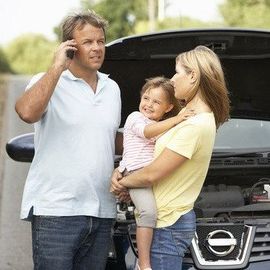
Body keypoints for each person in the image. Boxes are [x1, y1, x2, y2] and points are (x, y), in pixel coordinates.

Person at [15, 10, 122, 270]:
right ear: (70, 47)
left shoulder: (112, 88)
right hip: (56, 211)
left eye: (100, 41)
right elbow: (27, 112)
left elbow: (109, 140)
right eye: (88, 42)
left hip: (102, 212)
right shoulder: (47, 81)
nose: (97, 48)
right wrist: (56, 68)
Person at [111, 45, 230, 270]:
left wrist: (120, 183)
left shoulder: (194, 125)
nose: (173, 79)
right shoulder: (190, 120)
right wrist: (124, 170)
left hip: (168, 224)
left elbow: (152, 173)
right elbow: (144, 151)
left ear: (193, 76)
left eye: (177, 72)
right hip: (165, 221)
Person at [115, 76, 195, 270]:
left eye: (156, 102)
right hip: (136, 173)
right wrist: (177, 119)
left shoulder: (163, 127)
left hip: (150, 176)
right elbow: (147, 132)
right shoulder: (136, 118)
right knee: (148, 213)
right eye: (146, 98)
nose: (148, 104)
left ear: (168, 107)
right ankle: (144, 265)